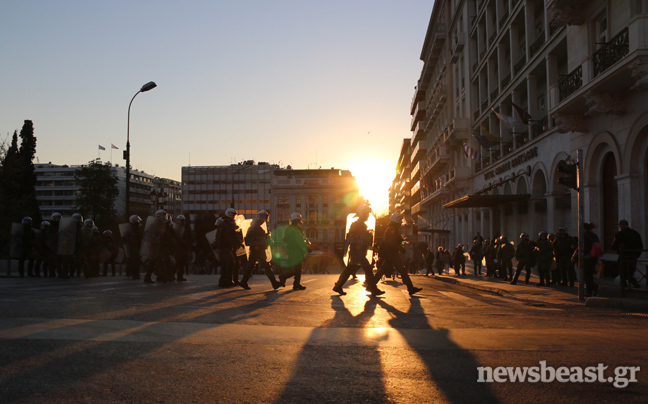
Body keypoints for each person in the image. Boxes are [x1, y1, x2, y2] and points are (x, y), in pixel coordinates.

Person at [333, 205, 383, 295]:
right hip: (357, 252)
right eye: (367, 213)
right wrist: (367, 236)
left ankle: (338, 286)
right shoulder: (358, 225)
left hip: (358, 252)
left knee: (351, 269)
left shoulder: (360, 224)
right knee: (367, 269)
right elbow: (354, 237)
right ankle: (373, 288)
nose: (368, 215)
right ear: (362, 213)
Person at [373, 213, 422, 296]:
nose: (400, 221)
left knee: (383, 270)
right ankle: (410, 288)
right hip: (392, 253)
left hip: (391, 253)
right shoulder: (393, 229)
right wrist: (400, 248)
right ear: (395, 219)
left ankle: (371, 285)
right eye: (399, 219)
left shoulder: (393, 228)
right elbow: (392, 242)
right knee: (402, 270)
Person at [240, 210, 281, 290]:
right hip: (257, 249)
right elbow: (248, 239)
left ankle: (244, 282)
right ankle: (274, 283)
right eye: (263, 217)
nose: (264, 219)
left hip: (258, 249)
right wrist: (264, 238)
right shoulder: (255, 227)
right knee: (265, 266)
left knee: (254, 266)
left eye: (265, 218)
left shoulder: (257, 226)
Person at [279, 212, 308, 290]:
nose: (298, 223)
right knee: (296, 268)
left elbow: (302, 239)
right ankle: (284, 276)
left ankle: (296, 284)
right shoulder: (290, 229)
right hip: (293, 251)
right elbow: (285, 239)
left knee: (298, 268)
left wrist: (306, 244)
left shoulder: (298, 229)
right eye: (297, 221)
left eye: (298, 221)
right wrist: (295, 245)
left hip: (298, 251)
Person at [612, 219, 644, 288]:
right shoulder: (636, 233)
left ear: (621, 225)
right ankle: (635, 285)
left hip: (623, 257)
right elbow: (640, 246)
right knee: (630, 274)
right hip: (633, 257)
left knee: (622, 274)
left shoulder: (619, 234)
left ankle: (625, 289)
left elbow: (614, 246)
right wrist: (636, 255)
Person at [214, 208, 242, 287]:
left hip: (230, 247)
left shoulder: (230, 224)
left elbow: (234, 236)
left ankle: (228, 280)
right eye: (232, 214)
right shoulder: (223, 224)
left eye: (233, 215)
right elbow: (219, 237)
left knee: (230, 263)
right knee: (227, 263)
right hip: (224, 247)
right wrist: (218, 248)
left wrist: (239, 243)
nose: (233, 216)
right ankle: (223, 281)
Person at [583, 223, 601, 296]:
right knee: (590, 274)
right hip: (594, 256)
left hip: (587, 257)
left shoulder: (584, 236)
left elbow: (583, 247)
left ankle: (593, 287)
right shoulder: (594, 235)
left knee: (586, 275)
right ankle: (589, 291)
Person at [172, 215, 191, 282]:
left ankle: (180, 276)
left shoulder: (185, 228)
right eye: (180, 220)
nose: (181, 222)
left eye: (182, 220)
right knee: (178, 262)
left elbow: (188, 237)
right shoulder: (176, 228)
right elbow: (175, 237)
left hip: (183, 248)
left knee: (182, 262)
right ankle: (171, 274)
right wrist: (182, 241)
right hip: (178, 247)